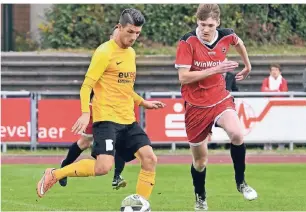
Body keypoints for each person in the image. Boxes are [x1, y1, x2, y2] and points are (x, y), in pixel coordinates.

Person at [36, 9, 166, 202]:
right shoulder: (104, 52)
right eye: (130, 31)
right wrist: (84, 113)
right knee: (103, 167)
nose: (134, 37)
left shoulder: (130, 53)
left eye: (138, 33)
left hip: (127, 118)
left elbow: (125, 87)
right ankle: (55, 174)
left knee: (150, 159)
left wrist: (142, 102)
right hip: (106, 119)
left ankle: (141, 204)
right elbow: (86, 85)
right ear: (119, 27)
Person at [175, 4, 257, 210]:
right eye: (202, 24)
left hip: (220, 99)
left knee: (237, 134)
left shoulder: (226, 35)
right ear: (197, 22)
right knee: (200, 162)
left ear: (217, 23)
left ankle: (241, 183)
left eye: (210, 25)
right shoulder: (187, 42)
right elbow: (183, 77)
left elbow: (239, 43)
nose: (205, 29)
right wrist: (216, 68)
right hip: (195, 106)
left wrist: (248, 66)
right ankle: (200, 196)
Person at [58, 26, 127, 190]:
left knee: (122, 140)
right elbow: (89, 84)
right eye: (116, 36)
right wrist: (86, 110)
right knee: (84, 141)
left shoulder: (126, 55)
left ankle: (117, 176)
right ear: (111, 37)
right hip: (98, 107)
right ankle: (64, 167)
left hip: (116, 109)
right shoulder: (103, 54)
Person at [261, 64, 288, 150]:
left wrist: (270, 92)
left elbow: (283, 93)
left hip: (280, 107)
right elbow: (263, 91)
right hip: (268, 108)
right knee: (267, 125)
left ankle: (281, 144)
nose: (274, 71)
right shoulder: (266, 80)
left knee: (280, 125)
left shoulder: (283, 81)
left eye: (276, 69)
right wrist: (276, 91)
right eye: (272, 70)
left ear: (279, 71)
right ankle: (267, 144)